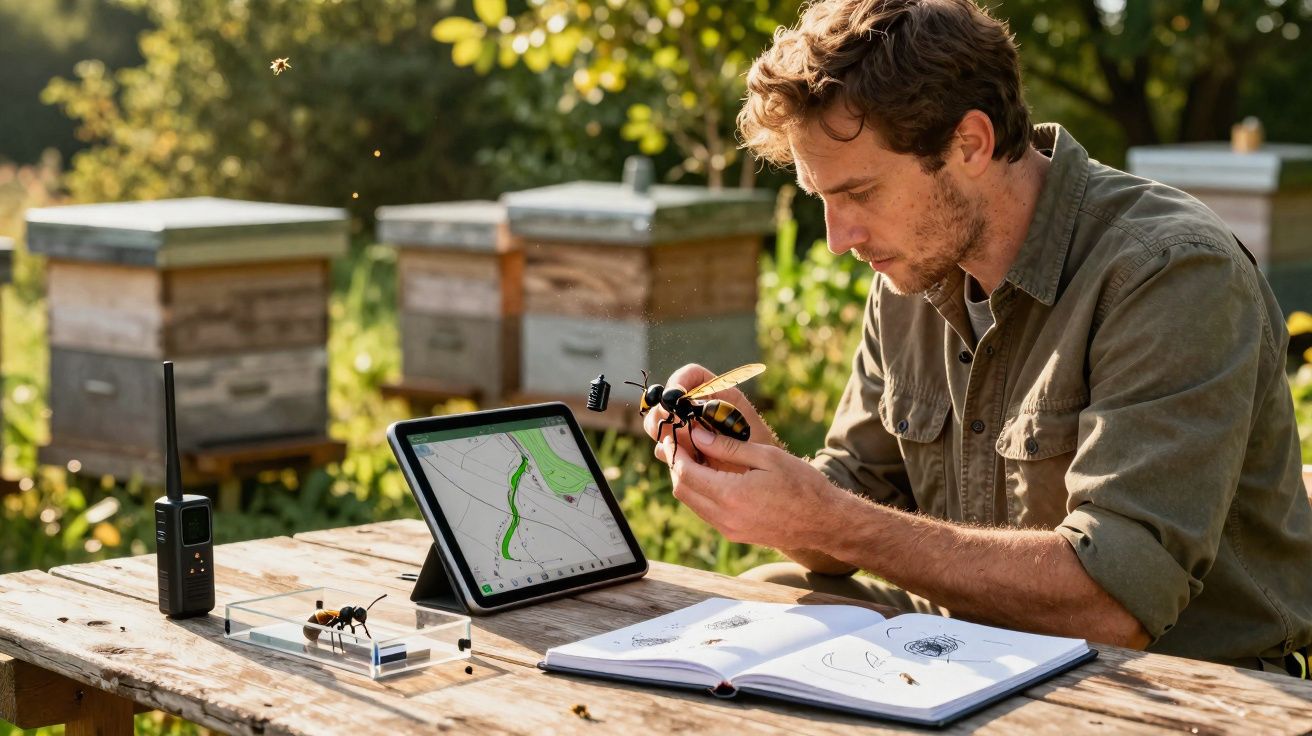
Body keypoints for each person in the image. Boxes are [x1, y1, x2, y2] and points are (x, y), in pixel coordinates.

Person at [641, 0, 1312, 676]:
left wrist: (829, 518)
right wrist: (762, 473)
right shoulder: (915, 270)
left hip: (1173, 681)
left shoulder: (1169, 272)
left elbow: (1115, 605)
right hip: (975, 642)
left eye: (861, 193)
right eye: (822, 200)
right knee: (761, 608)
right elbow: (853, 500)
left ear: (970, 143)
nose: (839, 239)